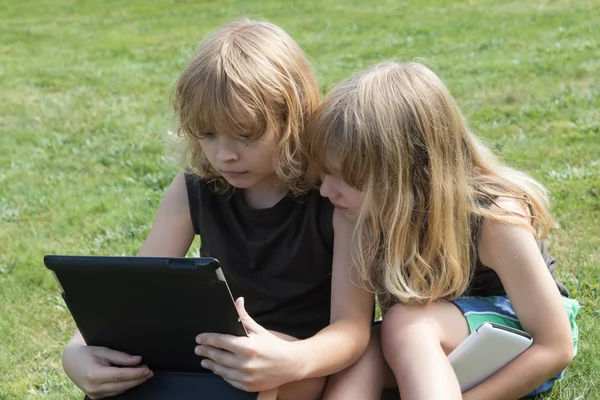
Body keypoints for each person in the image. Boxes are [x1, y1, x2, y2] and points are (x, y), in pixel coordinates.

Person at [60, 18, 374, 400]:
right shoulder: (194, 187)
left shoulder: (332, 195)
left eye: (245, 135)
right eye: (207, 134)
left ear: (292, 118)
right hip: (212, 355)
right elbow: (137, 295)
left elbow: (352, 329)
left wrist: (292, 360)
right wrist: (75, 352)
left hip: (297, 364)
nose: (224, 154)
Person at [305, 61, 580, 400]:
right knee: (362, 354)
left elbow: (554, 347)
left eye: (348, 178)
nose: (325, 191)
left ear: (409, 174)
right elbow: (350, 327)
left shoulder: (493, 218)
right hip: (430, 343)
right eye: (324, 175)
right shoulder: (352, 214)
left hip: (518, 343)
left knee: (406, 324)